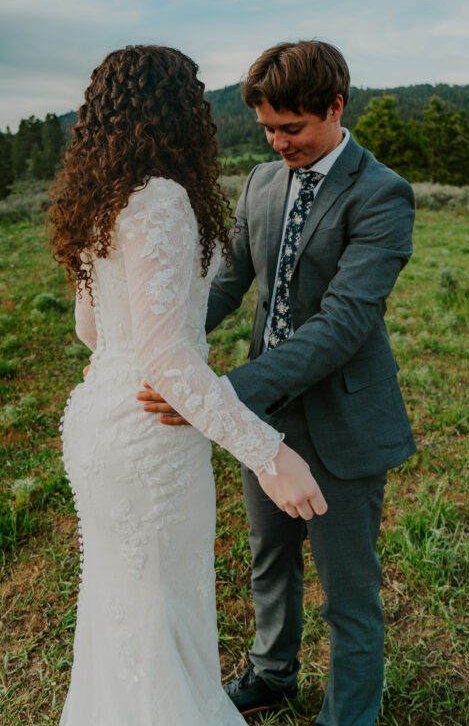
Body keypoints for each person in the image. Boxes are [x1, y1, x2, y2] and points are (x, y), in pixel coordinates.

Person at [138, 39, 416, 726]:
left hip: (342, 422)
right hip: (262, 420)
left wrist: (223, 396)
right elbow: (230, 279)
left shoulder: (382, 194)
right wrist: (163, 345)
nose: (277, 141)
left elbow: (345, 323)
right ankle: (271, 673)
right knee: (268, 560)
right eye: (266, 128)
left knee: (348, 590)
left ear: (335, 106)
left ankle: (346, 716)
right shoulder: (261, 183)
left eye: (291, 128)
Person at [49, 44, 327, 726]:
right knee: (163, 613)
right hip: (150, 435)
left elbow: (93, 328)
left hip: (97, 419)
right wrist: (269, 453)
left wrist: (120, 355)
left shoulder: (103, 198)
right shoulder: (163, 199)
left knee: (121, 609)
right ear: (179, 113)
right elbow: (168, 359)